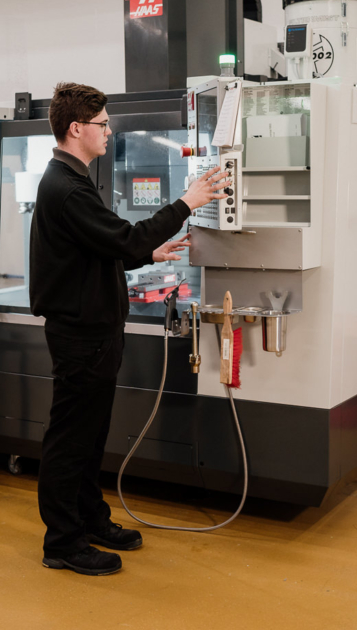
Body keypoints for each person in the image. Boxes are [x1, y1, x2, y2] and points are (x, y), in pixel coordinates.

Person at [29, 82, 228, 576]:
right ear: (76, 129)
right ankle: (62, 542)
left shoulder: (73, 181)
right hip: (81, 335)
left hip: (95, 330)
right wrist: (187, 201)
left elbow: (104, 248)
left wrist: (148, 254)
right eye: (101, 123)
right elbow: (127, 235)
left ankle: (90, 518)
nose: (108, 129)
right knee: (71, 438)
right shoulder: (67, 187)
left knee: (91, 434)